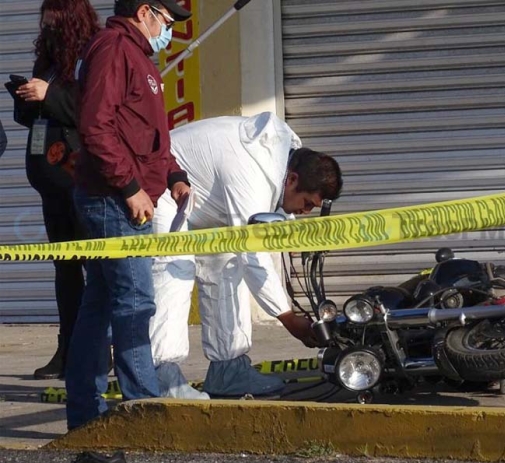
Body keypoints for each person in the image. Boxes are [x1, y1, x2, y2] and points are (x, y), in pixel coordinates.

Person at [149, 112, 343, 399]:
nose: (305, 212)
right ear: (292, 179)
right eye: (306, 204)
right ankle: (162, 376)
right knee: (176, 268)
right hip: (163, 186)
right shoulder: (252, 169)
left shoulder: (278, 160)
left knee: (225, 266)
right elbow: (253, 253)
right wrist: (288, 318)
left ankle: (229, 369)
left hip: (203, 202)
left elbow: (262, 233)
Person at [64, 0, 193, 430]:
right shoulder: (114, 49)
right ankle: (144, 414)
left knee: (100, 305)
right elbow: (96, 125)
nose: (169, 31)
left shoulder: (138, 56)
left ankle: (86, 415)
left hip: (121, 196)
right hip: (112, 199)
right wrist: (131, 187)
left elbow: (148, 132)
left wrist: (172, 173)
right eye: (168, 21)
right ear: (145, 11)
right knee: (136, 301)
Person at [11, 0, 101, 380]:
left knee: (94, 266)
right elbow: (38, 116)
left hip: (79, 178)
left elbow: (91, 111)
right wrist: (27, 100)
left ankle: (98, 350)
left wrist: (50, 95)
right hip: (50, 182)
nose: (46, 27)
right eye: (44, 21)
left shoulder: (94, 54)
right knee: (64, 269)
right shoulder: (46, 59)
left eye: (54, 21)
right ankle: (67, 349)